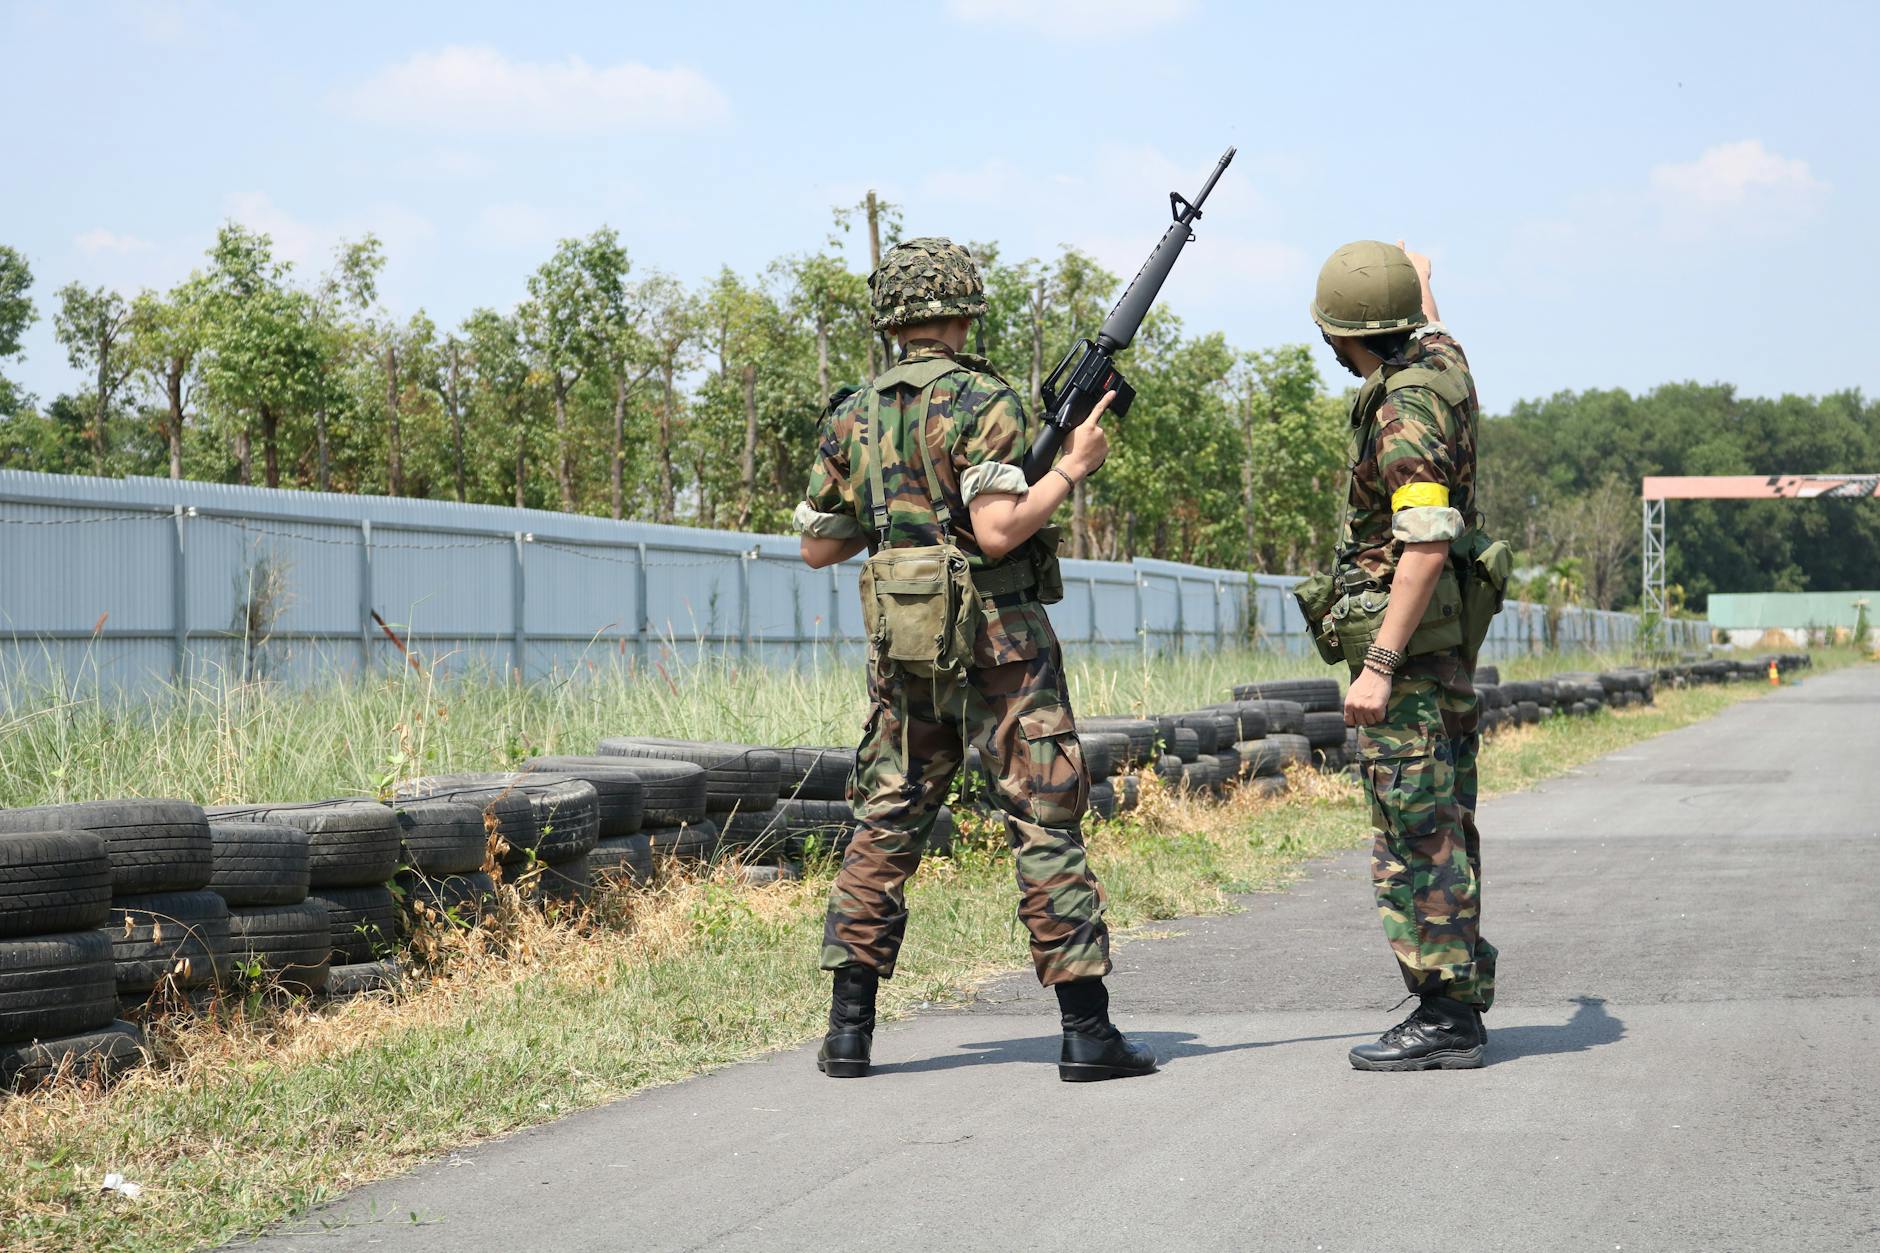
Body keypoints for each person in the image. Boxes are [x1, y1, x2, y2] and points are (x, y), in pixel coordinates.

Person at [794, 236, 1154, 1083]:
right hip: (1001, 648)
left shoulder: (853, 412)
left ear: (890, 320)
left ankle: (849, 1032)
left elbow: (817, 544)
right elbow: (998, 531)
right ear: (962, 310)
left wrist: (904, 519)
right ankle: (1085, 1031)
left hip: (905, 651)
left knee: (885, 821)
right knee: (1043, 815)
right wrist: (1069, 470)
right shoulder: (983, 399)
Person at [1310, 238, 1498, 1070]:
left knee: (1415, 828)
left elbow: (1422, 543)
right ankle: (1453, 1002)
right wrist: (1420, 276)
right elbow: (1433, 322)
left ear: (1341, 335)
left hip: (1412, 657)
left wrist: (1378, 664)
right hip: (1444, 647)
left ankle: (1445, 1015)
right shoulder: (1442, 364)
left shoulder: (1400, 412)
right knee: (1446, 819)